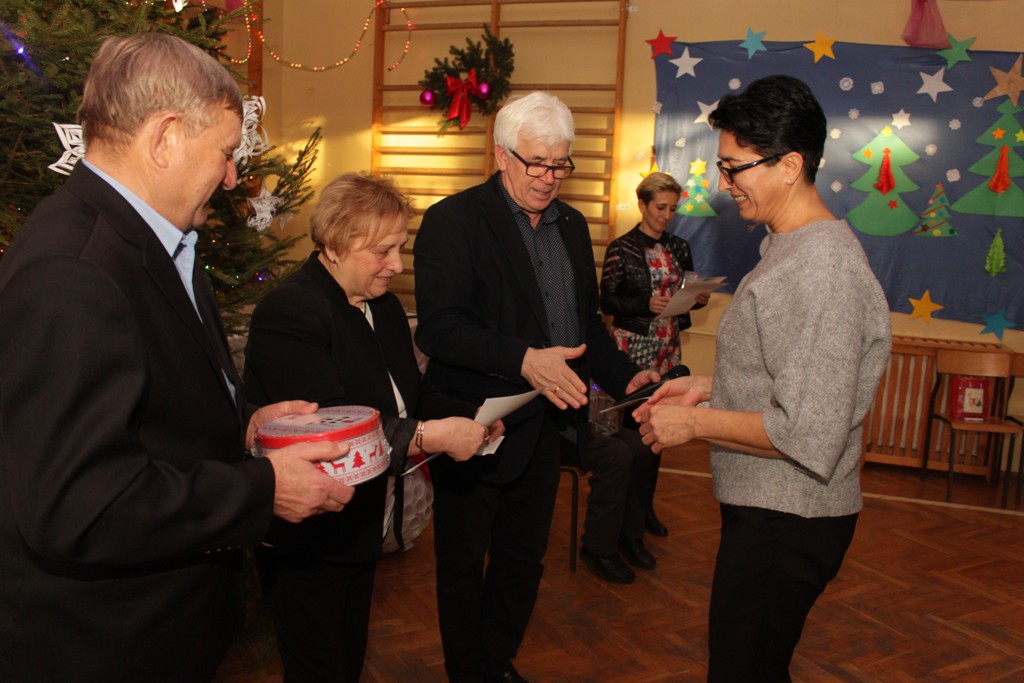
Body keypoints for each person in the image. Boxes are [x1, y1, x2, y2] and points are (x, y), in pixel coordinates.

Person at [0, 33, 356, 683]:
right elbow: (80, 502)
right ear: (165, 137)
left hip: (165, 626)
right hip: (106, 646)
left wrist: (238, 424)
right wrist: (265, 487)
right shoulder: (72, 269)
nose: (230, 177)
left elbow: (143, 404)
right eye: (224, 152)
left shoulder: (153, 239)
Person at [633, 75, 892, 682]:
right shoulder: (789, 244)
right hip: (772, 506)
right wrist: (708, 388)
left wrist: (695, 422)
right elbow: (790, 376)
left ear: (789, 165)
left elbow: (807, 430)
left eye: (735, 168)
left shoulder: (820, 267)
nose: (725, 184)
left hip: (789, 519)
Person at [413, 91, 658, 683]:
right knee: (464, 563)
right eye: (537, 163)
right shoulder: (453, 221)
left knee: (523, 560)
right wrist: (525, 361)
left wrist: (631, 376)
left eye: (561, 164)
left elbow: (579, 333)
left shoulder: (571, 227)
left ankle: (497, 661)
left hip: (543, 430)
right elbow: (442, 329)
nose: (550, 178)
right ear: (502, 155)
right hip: (472, 422)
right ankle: (466, 670)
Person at [243, 172, 502, 683]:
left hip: (360, 524)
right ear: (335, 246)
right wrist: (432, 436)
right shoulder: (291, 310)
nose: (396, 265)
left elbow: (404, 397)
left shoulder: (379, 305)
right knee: (319, 666)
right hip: (309, 534)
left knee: (347, 658)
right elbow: (330, 429)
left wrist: (471, 417)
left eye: (400, 248)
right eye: (381, 251)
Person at [601, 172, 710, 538]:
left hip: (666, 345)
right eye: (660, 207)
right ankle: (624, 510)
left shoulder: (679, 246)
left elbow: (684, 288)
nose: (666, 215)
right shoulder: (622, 247)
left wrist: (696, 296)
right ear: (643, 205)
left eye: (672, 209)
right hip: (631, 347)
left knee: (660, 428)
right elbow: (606, 301)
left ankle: (645, 507)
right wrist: (644, 303)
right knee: (634, 431)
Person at [572, 424, 659, 584]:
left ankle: (629, 535)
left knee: (641, 445)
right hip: (565, 430)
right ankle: (598, 547)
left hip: (594, 423)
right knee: (615, 454)